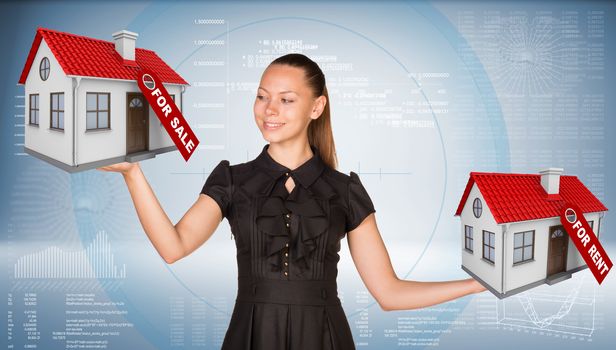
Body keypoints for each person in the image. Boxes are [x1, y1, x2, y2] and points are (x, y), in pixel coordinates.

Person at [98, 53, 486, 349]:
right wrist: (134, 174)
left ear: (316, 107)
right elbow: (173, 246)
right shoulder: (232, 180)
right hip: (250, 335)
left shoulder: (345, 191)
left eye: (286, 100)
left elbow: (389, 293)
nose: (269, 110)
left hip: (324, 337)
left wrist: (474, 285)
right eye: (263, 97)